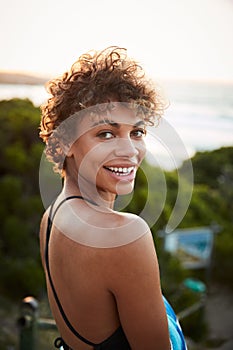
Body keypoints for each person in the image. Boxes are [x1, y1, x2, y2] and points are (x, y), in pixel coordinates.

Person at [39, 46, 187, 350]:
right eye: (105, 133)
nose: (129, 151)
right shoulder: (124, 235)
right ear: (66, 142)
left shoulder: (53, 216)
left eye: (137, 132)